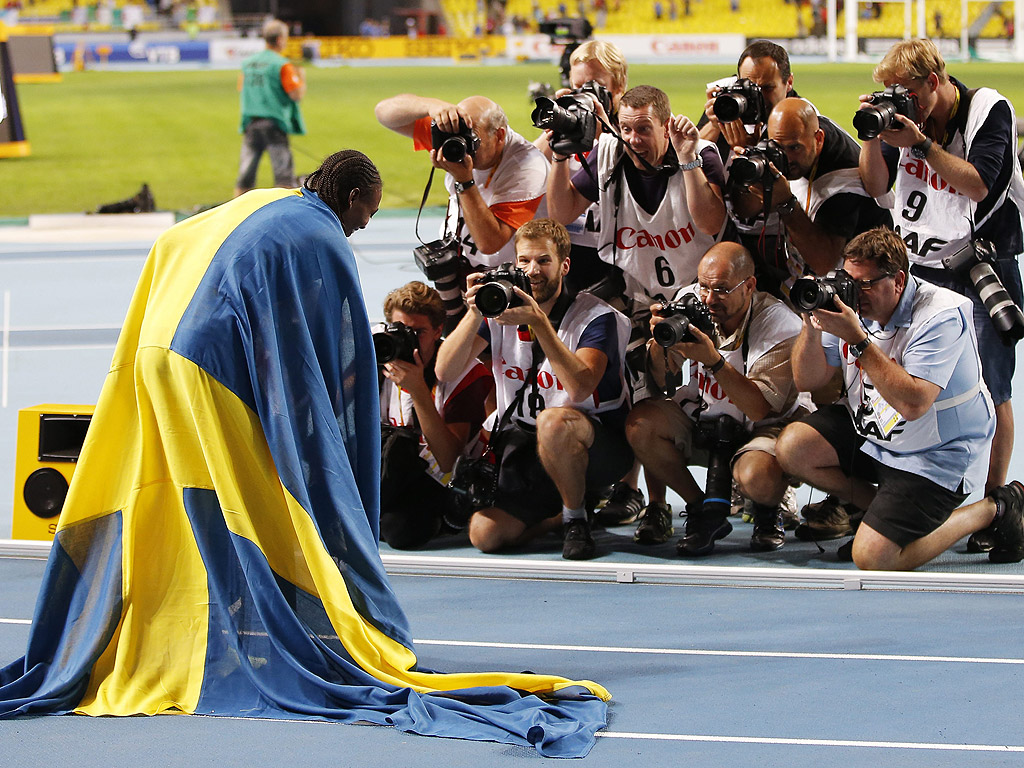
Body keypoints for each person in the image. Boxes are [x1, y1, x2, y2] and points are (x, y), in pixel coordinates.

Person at [0, 151, 610, 758]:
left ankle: (200, 626)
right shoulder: (323, 235)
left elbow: (175, 241)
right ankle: (282, 629)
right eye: (365, 215)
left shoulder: (266, 200)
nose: (362, 228)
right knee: (253, 500)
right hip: (208, 367)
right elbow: (330, 361)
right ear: (347, 198)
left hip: (156, 349)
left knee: (188, 494)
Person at [857, 39, 1024, 553]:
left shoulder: (985, 110)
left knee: (990, 387)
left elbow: (978, 185)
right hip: (918, 269)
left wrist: (923, 144)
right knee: (912, 379)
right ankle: (924, 485)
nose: (899, 100)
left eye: (907, 91)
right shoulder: (900, 115)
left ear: (934, 81)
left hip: (979, 265)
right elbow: (876, 187)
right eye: (891, 92)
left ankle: (1001, 502)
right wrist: (872, 135)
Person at [776, 228, 1024, 570]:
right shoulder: (848, 307)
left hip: (937, 456)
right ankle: (884, 514)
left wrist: (859, 340)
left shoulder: (940, 315)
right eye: (848, 280)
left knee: (873, 558)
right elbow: (808, 379)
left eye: (865, 284)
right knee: (792, 447)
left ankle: (996, 507)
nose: (854, 292)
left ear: (898, 281)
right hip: (879, 437)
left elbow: (914, 404)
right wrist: (810, 322)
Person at [434, 219, 632, 561]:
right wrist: (474, 311)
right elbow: (444, 370)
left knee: (554, 423)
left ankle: (576, 520)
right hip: (527, 446)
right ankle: (555, 518)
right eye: (523, 261)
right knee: (485, 534)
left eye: (543, 261)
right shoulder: (500, 311)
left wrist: (540, 323)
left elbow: (580, 386)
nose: (532, 271)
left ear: (564, 265)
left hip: (596, 447)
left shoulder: (596, 318)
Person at [625, 242, 808, 555]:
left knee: (756, 475)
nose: (709, 299)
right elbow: (659, 378)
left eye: (721, 289)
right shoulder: (691, 302)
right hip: (706, 418)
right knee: (641, 425)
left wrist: (714, 361)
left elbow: (759, 408)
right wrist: (660, 344)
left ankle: (767, 509)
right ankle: (701, 510)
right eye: (704, 286)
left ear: (749, 286)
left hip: (762, 427)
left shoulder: (779, 323)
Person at [374, 93, 548, 326]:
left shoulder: (527, 167)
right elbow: (384, 113)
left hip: (506, 285)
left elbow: (490, 243)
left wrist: (464, 180)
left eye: (473, 139)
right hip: (461, 267)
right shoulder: (455, 135)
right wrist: (433, 106)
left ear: (499, 135)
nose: (464, 147)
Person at [728, 97, 893, 297]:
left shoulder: (844, 185)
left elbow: (824, 263)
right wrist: (749, 177)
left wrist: (785, 203)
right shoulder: (797, 126)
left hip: (861, 289)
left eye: (794, 148)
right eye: (778, 146)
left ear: (819, 139)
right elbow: (745, 209)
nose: (786, 158)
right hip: (803, 277)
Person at [377, 281, 493, 549]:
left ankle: (447, 517)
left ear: (438, 330)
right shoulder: (379, 352)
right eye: (400, 330)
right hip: (391, 467)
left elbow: (449, 460)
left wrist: (417, 390)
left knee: (401, 532)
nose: (408, 340)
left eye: (418, 332)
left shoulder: (463, 372)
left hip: (441, 479)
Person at [533, 38, 629, 296]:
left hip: (615, 253)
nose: (585, 93)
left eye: (595, 86)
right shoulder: (570, 124)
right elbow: (527, 166)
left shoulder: (631, 129)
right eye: (578, 86)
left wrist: (604, 131)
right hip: (568, 248)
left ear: (618, 86)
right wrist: (558, 121)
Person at [233, 18, 306, 197]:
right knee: (284, 179)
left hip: (251, 123)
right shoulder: (282, 65)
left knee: (245, 178)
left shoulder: (248, 63)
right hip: (274, 123)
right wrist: (302, 78)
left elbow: (241, 88)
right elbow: (296, 94)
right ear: (280, 39)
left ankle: (237, 217)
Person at [699, 39, 798, 159]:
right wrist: (715, 125)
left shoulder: (799, 116)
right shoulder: (729, 101)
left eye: (767, 88)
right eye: (750, 87)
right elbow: (691, 155)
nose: (757, 95)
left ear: (789, 82)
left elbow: (795, 173)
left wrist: (752, 151)